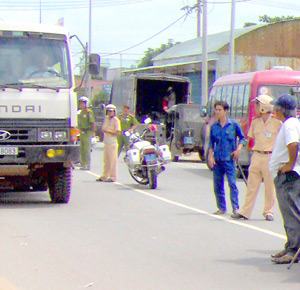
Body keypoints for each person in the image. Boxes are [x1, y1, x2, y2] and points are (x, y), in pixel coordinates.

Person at [231, 95, 281, 221]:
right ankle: (245, 211)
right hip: (256, 155)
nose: (256, 107)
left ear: (264, 107)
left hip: (270, 156)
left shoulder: (277, 123)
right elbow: (250, 140)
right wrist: (247, 153)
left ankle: (268, 211)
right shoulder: (255, 122)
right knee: (251, 186)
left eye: (258, 105)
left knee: (270, 186)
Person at [269, 94, 300, 264]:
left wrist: (290, 164)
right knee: (288, 212)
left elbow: (293, 144)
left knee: (291, 213)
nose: (274, 111)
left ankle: (294, 250)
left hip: (288, 176)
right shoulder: (289, 124)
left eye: (276, 108)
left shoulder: (289, 125)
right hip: (285, 175)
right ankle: (290, 246)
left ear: (281, 110)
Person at [208, 100, 246, 215]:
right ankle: (221, 207)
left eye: (220, 110)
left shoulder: (233, 125)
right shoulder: (214, 127)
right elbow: (211, 143)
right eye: (216, 109)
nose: (217, 112)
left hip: (229, 160)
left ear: (225, 111)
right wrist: (210, 157)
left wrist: (238, 149)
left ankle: (235, 207)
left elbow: (243, 139)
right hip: (218, 160)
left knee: (232, 184)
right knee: (217, 185)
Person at [97, 104, 121, 182]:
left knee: (112, 160)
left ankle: (113, 177)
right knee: (106, 160)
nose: (110, 113)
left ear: (114, 112)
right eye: (109, 111)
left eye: (112, 111)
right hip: (106, 142)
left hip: (112, 142)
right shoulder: (106, 119)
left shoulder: (116, 120)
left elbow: (118, 132)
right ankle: (105, 175)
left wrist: (108, 131)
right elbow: (103, 128)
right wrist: (106, 130)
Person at [77, 96, 96, 170]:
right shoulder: (80, 112)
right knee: (82, 148)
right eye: (80, 103)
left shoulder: (89, 112)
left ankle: (87, 164)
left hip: (87, 132)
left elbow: (92, 123)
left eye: (83, 103)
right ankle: (83, 164)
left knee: (87, 149)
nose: (81, 104)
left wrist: (93, 133)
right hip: (81, 132)